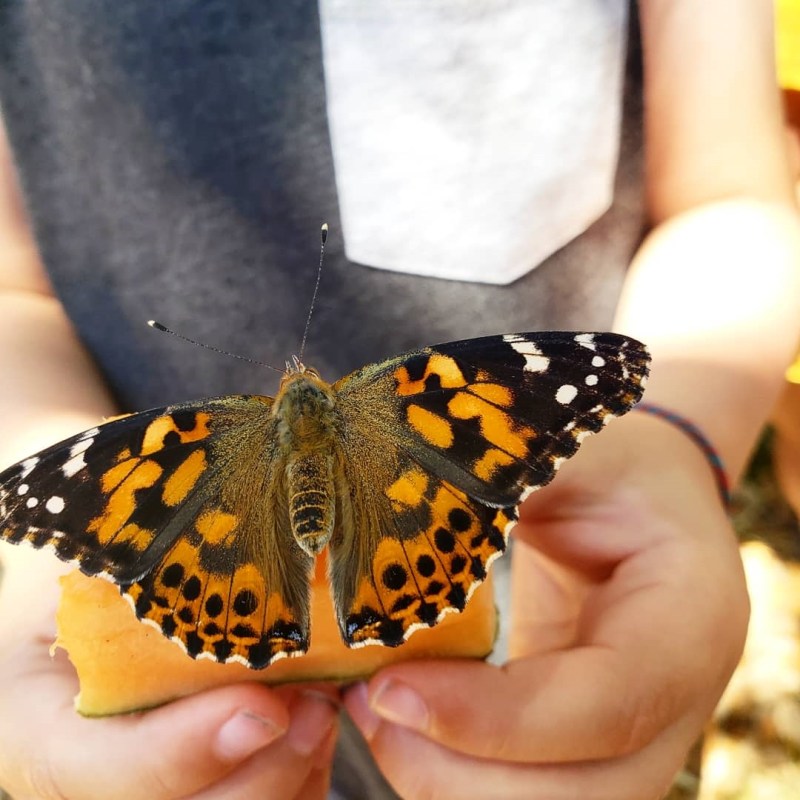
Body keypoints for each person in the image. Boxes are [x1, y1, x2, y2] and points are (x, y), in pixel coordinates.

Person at [1, 1, 799, 799]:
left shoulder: (193, 439)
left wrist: (675, 441)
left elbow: (730, 193)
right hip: (200, 696)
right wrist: (28, 558)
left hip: (539, 618)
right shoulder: (417, 397)